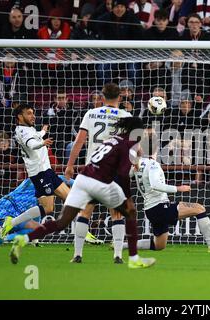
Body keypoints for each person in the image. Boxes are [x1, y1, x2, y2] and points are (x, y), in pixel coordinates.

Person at [10, 117, 156, 269]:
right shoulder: (128, 144)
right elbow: (124, 175)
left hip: (83, 179)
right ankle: (133, 258)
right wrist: (127, 197)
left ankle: (24, 239)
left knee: (62, 222)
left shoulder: (113, 140)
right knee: (130, 213)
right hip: (100, 183)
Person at [132, 129, 210, 253]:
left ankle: (123, 245)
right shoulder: (153, 165)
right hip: (159, 207)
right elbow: (155, 185)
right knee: (199, 208)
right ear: (155, 148)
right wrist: (178, 188)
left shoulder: (138, 163)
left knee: (159, 245)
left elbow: (130, 173)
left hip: (150, 209)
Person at [65, 83, 132, 264]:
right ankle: (117, 255)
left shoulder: (91, 114)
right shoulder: (126, 116)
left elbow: (79, 141)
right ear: (120, 98)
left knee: (85, 212)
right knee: (117, 213)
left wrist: (70, 165)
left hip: (92, 169)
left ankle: (77, 255)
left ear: (102, 98)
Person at [0, 105, 70, 238]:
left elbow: (35, 136)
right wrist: (43, 143)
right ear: (20, 117)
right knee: (48, 209)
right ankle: (12, 222)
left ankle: (84, 234)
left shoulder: (29, 129)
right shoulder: (21, 131)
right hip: (39, 173)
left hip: (47, 170)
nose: (33, 116)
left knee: (71, 198)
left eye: (33, 113)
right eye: (29, 113)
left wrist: (43, 131)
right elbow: (32, 144)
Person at [0, 175, 72, 244]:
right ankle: (3, 236)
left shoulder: (43, 188)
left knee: (38, 229)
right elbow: (68, 180)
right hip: (9, 204)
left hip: (17, 212)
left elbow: (36, 215)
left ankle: (4, 237)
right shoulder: (44, 178)